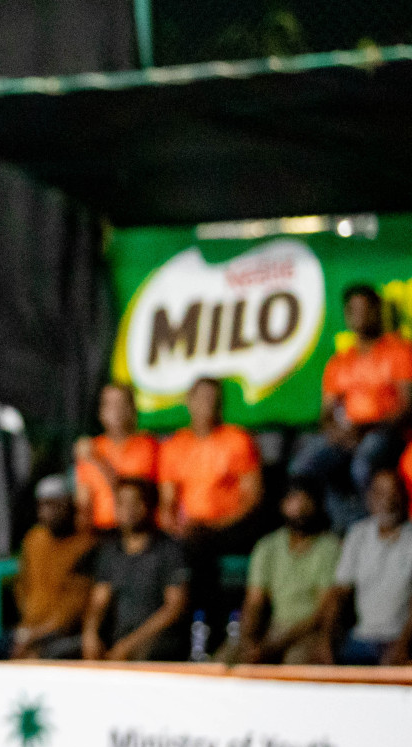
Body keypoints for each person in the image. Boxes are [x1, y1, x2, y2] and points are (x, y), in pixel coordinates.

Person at [291, 285, 412, 530]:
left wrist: (366, 430)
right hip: (346, 435)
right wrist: (337, 433)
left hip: (385, 432)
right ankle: (343, 527)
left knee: (362, 465)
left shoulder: (398, 351)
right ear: (347, 315)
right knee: (304, 465)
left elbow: (407, 404)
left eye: (367, 309)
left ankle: (373, 528)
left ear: (377, 312)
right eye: (354, 310)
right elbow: (326, 413)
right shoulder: (339, 362)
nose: (361, 316)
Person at [157, 377, 263, 624]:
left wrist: (213, 526)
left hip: (233, 526)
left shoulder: (237, 440)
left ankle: (205, 623)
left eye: (215, 400)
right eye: (203, 398)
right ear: (189, 402)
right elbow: (167, 502)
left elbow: (253, 498)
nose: (209, 405)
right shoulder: (174, 446)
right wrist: (173, 525)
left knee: (199, 546)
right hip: (192, 530)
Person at [0, 476, 95, 660]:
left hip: (59, 635)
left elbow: (73, 610)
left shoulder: (83, 546)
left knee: (28, 658)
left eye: (54, 505)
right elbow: (23, 586)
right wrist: (27, 627)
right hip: (26, 629)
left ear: (68, 506)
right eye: (42, 505)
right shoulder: (34, 540)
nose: (46, 512)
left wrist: (36, 634)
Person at [83, 478, 191, 662]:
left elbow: (174, 607)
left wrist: (130, 644)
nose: (128, 509)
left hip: (159, 642)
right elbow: (99, 600)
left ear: (149, 505)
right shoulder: (110, 551)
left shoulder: (169, 550)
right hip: (118, 640)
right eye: (122, 503)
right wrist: (90, 634)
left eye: (136, 502)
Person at [236, 482, 341, 665]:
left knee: (295, 665)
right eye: (293, 500)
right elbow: (254, 603)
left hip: (310, 632)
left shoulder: (329, 547)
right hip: (275, 628)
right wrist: (248, 640)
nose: (300, 508)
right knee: (225, 661)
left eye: (306, 501)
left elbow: (322, 612)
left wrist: (272, 647)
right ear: (282, 505)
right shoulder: (268, 546)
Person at [320, 469, 412, 666]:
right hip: (361, 638)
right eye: (381, 493)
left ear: (405, 496)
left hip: (401, 638)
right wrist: (325, 640)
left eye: (394, 493)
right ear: (369, 498)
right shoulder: (358, 535)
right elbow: (340, 592)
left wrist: (402, 648)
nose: (388, 500)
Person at [74, 383, 160, 533]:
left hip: (138, 531)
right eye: (109, 404)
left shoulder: (147, 445)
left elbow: (130, 497)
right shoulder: (92, 447)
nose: (116, 411)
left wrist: (99, 462)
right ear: (101, 412)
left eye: (121, 404)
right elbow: (83, 503)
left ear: (132, 409)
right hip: (101, 531)